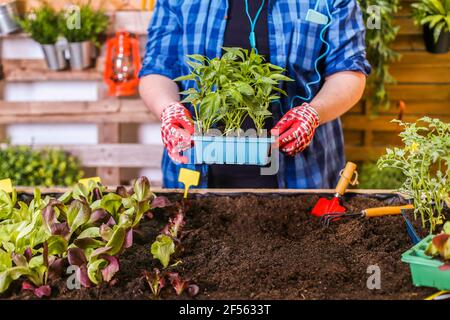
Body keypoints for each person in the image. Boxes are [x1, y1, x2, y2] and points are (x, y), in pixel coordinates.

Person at [139, 0, 371, 189]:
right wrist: (168, 108)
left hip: (303, 176)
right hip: (195, 175)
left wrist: (313, 113)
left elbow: (349, 71)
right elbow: (156, 68)